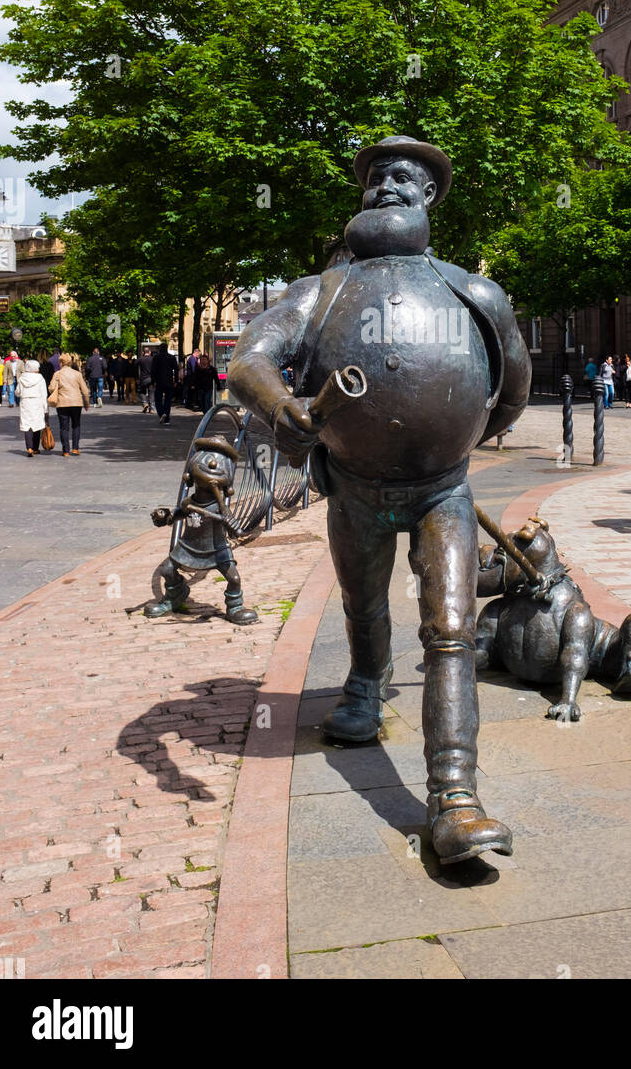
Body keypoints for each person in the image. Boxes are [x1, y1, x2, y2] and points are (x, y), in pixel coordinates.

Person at [227, 134, 530, 864]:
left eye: (403, 178)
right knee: (363, 604)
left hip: (440, 490)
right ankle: (366, 686)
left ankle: (454, 799)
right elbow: (250, 360)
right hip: (354, 488)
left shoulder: (474, 292)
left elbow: (512, 390)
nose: (385, 187)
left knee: (451, 625)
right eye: (375, 178)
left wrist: (453, 431)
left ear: (429, 197)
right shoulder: (321, 290)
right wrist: (283, 408)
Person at [47, 352, 90, 456]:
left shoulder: (57, 374)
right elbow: (85, 390)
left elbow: (51, 388)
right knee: (76, 425)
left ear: (61, 363)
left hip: (62, 403)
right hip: (76, 403)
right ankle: (75, 448)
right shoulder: (77, 374)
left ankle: (66, 450)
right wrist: (86, 403)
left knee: (64, 427)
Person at [17, 359, 49, 455]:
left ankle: (29, 448)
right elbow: (44, 393)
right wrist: (45, 407)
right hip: (37, 403)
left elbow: (18, 392)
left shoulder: (22, 378)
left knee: (27, 425)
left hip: (25, 403)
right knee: (37, 424)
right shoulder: (40, 378)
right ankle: (35, 448)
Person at [151, 343, 178, 423]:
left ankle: (162, 413)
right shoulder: (171, 357)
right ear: (166, 348)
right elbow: (176, 370)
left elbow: (153, 370)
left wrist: (153, 381)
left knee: (158, 400)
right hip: (169, 381)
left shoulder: (156, 357)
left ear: (160, 349)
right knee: (168, 400)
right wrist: (176, 381)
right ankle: (166, 418)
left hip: (159, 382)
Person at [137, 345, 154, 413]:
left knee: (141, 392)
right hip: (151, 379)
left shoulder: (141, 359)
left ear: (143, 352)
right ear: (149, 352)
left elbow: (135, 364)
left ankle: (145, 403)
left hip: (143, 379)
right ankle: (152, 408)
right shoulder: (153, 359)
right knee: (151, 393)